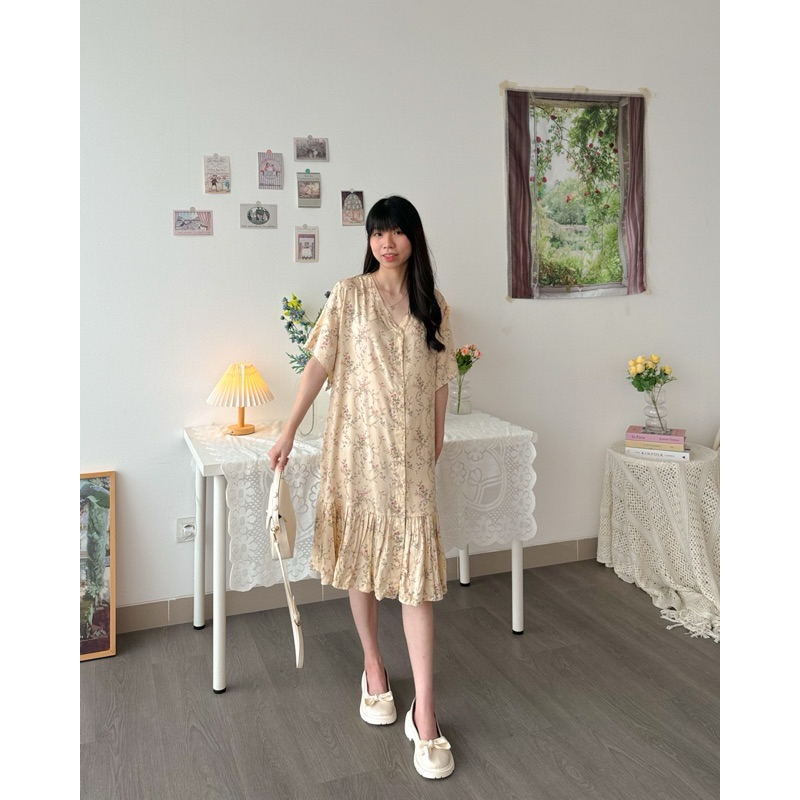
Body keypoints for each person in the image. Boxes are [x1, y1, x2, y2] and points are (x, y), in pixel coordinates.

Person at [268, 195, 458, 780]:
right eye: (378, 232)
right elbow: (318, 367)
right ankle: (374, 667)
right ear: (369, 240)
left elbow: (440, 377)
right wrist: (288, 429)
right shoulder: (347, 296)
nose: (386, 242)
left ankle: (424, 712)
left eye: (396, 231)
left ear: (412, 238)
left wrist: (436, 437)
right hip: (357, 455)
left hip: (411, 463)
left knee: (416, 581)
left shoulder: (434, 305)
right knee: (362, 563)